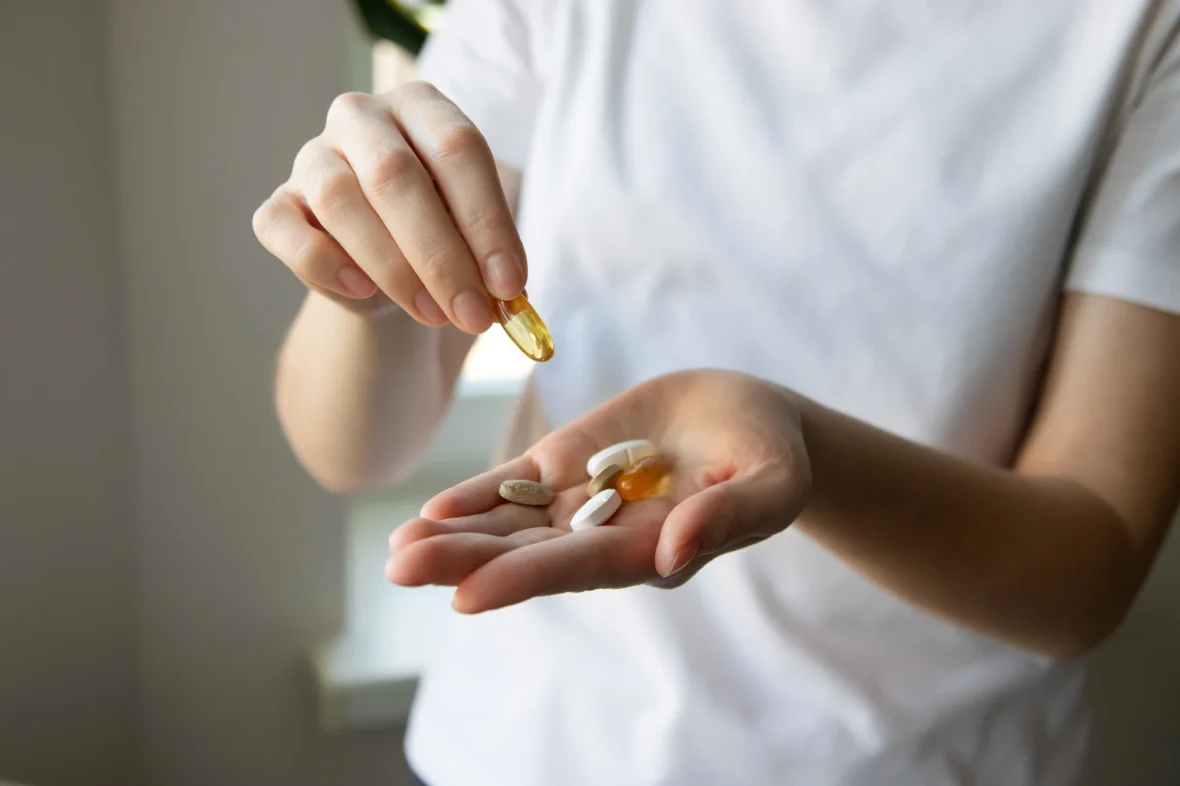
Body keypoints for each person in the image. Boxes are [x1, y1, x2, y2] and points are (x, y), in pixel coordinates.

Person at [252, 2, 1180, 784]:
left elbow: (1085, 577)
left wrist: (805, 450)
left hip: (917, 761)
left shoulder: (1144, 29)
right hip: (535, 740)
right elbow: (351, 448)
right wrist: (369, 284)